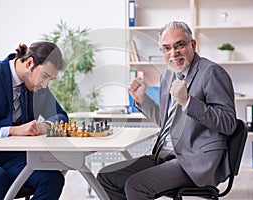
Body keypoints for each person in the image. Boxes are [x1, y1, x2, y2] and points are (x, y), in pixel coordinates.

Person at [97, 21, 237, 200]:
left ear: (192, 45)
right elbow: (167, 122)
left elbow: (229, 124)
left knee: (136, 186)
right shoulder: (168, 75)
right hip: (164, 155)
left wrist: (188, 102)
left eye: (179, 45)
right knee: (107, 177)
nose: (173, 53)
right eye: (166, 48)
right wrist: (143, 99)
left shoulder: (211, 72)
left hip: (194, 160)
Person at [0, 41, 69, 200]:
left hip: (9, 156)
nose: (45, 85)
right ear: (30, 63)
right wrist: (13, 131)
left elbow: (62, 117)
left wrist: (44, 126)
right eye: (45, 76)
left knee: (52, 179)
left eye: (50, 80)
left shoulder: (36, 85)